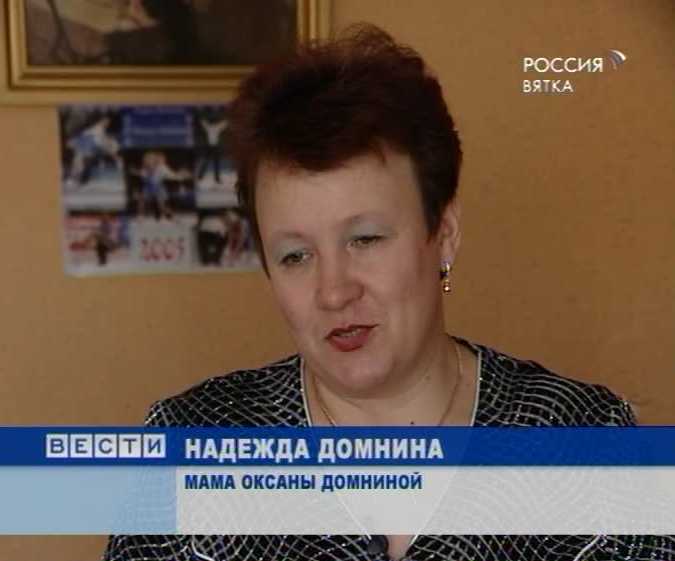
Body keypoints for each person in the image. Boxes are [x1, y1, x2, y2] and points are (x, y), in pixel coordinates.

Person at [103, 25, 673, 561]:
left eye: (366, 239)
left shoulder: (585, 439)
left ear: (442, 234)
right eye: (295, 255)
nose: (334, 292)